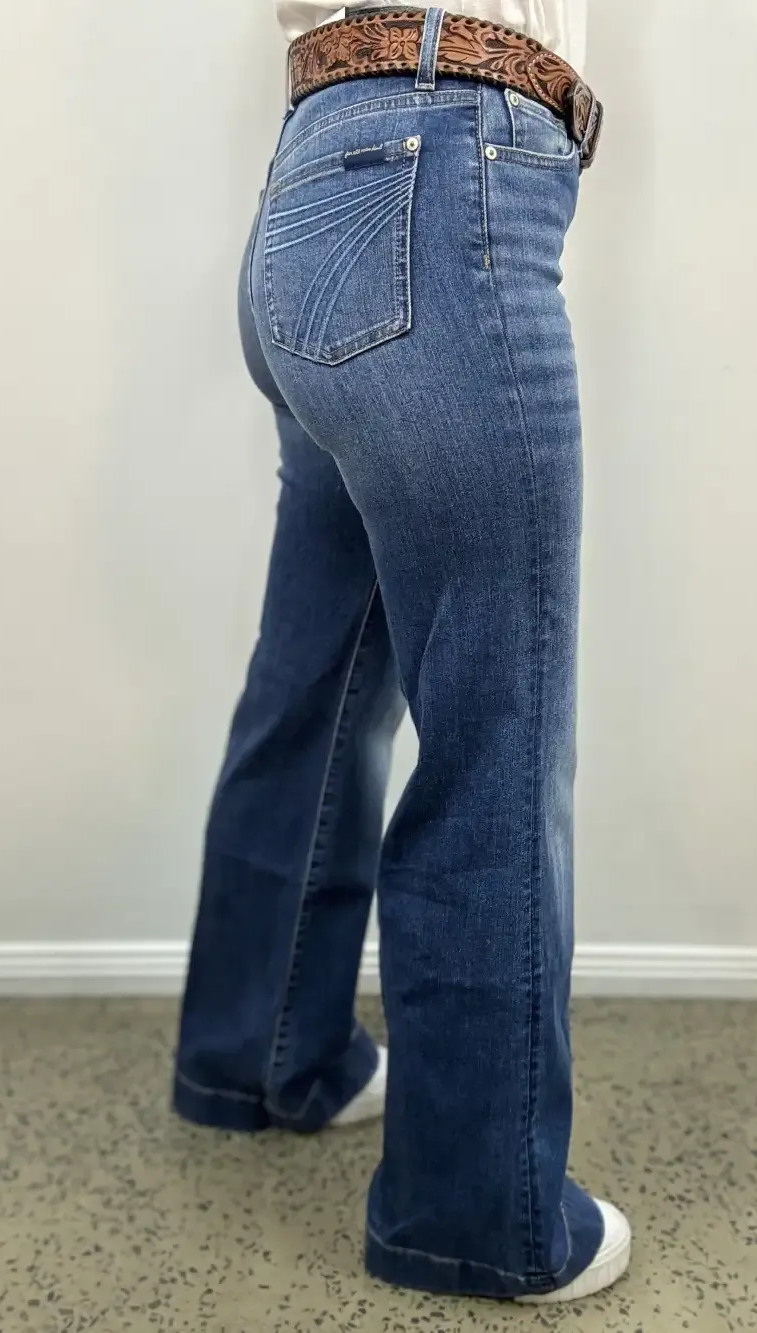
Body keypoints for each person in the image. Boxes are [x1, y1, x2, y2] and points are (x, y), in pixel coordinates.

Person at [174, 1, 631, 1304]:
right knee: (498, 730)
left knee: (314, 681)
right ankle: (478, 1218)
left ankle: (262, 1054)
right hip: (445, 168)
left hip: (319, 177)